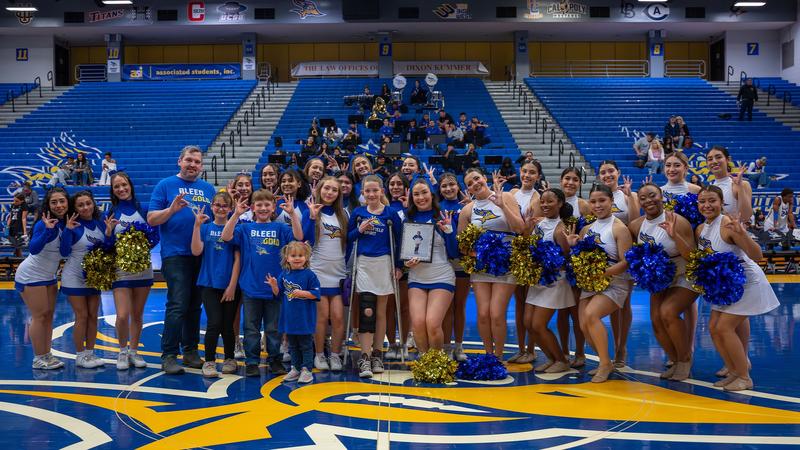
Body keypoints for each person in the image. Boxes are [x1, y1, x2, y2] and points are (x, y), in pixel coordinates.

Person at [696, 185, 779, 391]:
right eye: (702, 201)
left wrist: (744, 234)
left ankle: (744, 376)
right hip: (725, 285)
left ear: (721, 202)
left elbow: (757, 255)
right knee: (714, 328)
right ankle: (734, 371)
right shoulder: (701, 228)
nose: (707, 205)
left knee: (724, 328)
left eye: (712, 201)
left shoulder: (726, 224)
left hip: (746, 283)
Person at [147, 145, 216, 375]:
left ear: (201, 166)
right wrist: (171, 210)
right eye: (189, 160)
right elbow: (152, 219)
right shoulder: (165, 185)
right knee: (178, 303)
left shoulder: (208, 188)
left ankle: (190, 351)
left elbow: (216, 222)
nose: (192, 165)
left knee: (195, 306)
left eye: (197, 162)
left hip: (202, 255)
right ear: (180, 161)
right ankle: (168, 355)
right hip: (175, 254)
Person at [222, 189, 303, 377]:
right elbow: (226, 237)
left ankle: (274, 359)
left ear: (273, 207)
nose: (263, 208)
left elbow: (298, 237)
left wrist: (292, 214)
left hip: (275, 287)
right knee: (251, 327)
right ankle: (252, 361)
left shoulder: (281, 228)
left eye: (267, 204)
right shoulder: (245, 228)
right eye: (259, 205)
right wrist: (235, 214)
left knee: (273, 328)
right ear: (252, 208)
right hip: (251, 287)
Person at [563, 184, 633, 383]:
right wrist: (573, 246)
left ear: (611, 201)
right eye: (593, 201)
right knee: (584, 324)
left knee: (591, 315)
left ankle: (604, 364)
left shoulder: (620, 228)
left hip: (615, 282)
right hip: (592, 283)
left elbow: (625, 261)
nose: (597, 205)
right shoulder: (586, 229)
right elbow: (581, 257)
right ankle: (607, 361)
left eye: (602, 200)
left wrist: (603, 273)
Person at [630, 184, 699, 381]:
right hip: (659, 276)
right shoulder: (636, 225)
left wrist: (674, 235)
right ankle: (675, 359)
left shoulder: (679, 221)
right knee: (656, 320)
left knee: (667, 312)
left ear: (661, 197)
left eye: (652, 195)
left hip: (685, 272)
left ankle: (685, 359)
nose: (648, 200)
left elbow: (692, 257)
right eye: (643, 198)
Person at [457, 168, 525, 359]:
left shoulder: (507, 197)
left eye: (477, 178)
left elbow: (520, 228)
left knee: (496, 313)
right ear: (468, 189)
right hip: (481, 267)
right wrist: (478, 253)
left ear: (484, 178)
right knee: (483, 314)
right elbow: (462, 245)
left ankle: (500, 357)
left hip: (506, 264)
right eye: (470, 183)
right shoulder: (467, 210)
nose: (475, 184)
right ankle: (489, 356)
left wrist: (502, 205)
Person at [347, 175, 403, 378]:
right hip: (364, 264)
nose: (371, 194)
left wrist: (398, 266)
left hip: (384, 264)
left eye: (375, 190)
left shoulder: (391, 214)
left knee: (380, 312)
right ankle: (365, 356)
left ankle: (378, 353)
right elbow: (349, 237)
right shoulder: (358, 213)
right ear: (362, 193)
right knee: (366, 310)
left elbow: (399, 241)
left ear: (381, 191)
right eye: (367, 191)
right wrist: (360, 230)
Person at [707, 145, 754, 380]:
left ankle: (742, 359)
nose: (714, 161)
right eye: (710, 159)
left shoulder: (740, 183)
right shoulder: (710, 187)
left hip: (737, 249)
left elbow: (745, 217)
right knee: (727, 310)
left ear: (727, 159)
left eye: (718, 157)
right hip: (719, 252)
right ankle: (734, 360)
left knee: (739, 313)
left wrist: (739, 189)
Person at [14, 187, 68, 369]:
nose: (59, 205)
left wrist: (66, 231)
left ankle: (47, 354)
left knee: (49, 316)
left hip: (49, 276)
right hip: (31, 275)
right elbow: (34, 249)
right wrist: (46, 230)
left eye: (62, 201)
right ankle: (39, 358)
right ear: (48, 204)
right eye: (54, 202)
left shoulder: (65, 223)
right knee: (39, 316)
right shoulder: (42, 224)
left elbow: (64, 251)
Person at [404, 176, 458, 354]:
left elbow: (454, 253)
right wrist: (406, 263)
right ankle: (425, 361)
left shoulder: (442, 215)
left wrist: (449, 232)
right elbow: (402, 254)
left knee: (433, 323)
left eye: (424, 192)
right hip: (417, 277)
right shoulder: (408, 218)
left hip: (441, 275)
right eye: (416, 194)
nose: (421, 197)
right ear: (412, 197)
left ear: (432, 193)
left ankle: (437, 363)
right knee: (418, 324)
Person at [106, 172, 154, 370]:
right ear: (113, 191)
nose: (121, 189)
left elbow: (155, 235)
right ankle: (122, 351)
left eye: (124, 185)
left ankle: (134, 351)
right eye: (117, 187)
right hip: (120, 270)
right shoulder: (110, 212)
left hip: (143, 268)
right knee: (122, 315)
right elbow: (107, 245)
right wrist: (109, 232)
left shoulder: (143, 209)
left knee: (137, 314)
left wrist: (140, 248)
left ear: (130, 186)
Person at [191, 192, 240, 377]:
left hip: (229, 285)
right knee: (214, 323)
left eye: (224, 206)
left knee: (228, 325)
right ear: (212, 206)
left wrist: (232, 285)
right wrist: (196, 226)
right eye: (217, 205)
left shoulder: (235, 228)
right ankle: (210, 361)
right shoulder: (205, 228)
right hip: (209, 283)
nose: (220, 209)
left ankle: (229, 358)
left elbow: (237, 259)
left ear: (230, 209)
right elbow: (196, 251)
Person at [525, 188, 573, 374]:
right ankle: (552, 358)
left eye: (549, 202)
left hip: (554, 281)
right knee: (528, 323)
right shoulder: (539, 223)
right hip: (538, 280)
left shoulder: (561, 229)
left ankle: (562, 360)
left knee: (538, 324)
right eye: (542, 201)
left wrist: (548, 264)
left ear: (560, 203)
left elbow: (567, 260)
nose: (544, 205)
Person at [597, 160, 638, 368]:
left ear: (619, 173)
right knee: (612, 306)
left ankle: (621, 347)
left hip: (625, 255)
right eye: (603, 172)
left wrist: (631, 198)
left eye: (611, 171)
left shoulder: (629, 195)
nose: (607, 175)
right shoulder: (597, 198)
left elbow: (636, 224)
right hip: (604, 257)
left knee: (623, 304)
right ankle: (615, 346)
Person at [305, 177, 348, 372]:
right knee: (321, 317)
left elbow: (350, 239)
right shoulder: (312, 211)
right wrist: (312, 217)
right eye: (327, 188)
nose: (330, 192)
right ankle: (320, 354)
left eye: (334, 190)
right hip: (318, 272)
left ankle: (336, 354)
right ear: (320, 190)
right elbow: (304, 240)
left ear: (339, 194)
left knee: (338, 317)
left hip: (338, 274)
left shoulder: (343, 214)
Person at [60, 191, 107, 369]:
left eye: (88, 203)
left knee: (93, 316)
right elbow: (64, 252)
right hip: (74, 277)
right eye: (81, 205)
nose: (85, 207)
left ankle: (90, 353)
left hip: (94, 277)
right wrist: (67, 231)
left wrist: (109, 233)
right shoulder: (74, 225)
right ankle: (80, 356)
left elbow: (107, 247)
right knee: (82, 316)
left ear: (93, 204)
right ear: (75, 208)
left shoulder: (100, 224)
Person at [268, 241, 321, 384]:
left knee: (305, 345)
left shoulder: (310, 275)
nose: (297, 258)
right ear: (287, 257)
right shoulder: (284, 274)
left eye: (300, 255)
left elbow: (316, 294)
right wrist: (274, 286)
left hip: (304, 318)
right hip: (289, 317)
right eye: (293, 255)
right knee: (292, 345)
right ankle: (295, 368)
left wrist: (303, 293)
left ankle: (307, 370)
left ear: (307, 257)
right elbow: (278, 295)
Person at [508, 160, 543, 364]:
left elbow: (527, 231)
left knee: (529, 303)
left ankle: (531, 349)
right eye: (524, 171)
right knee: (519, 304)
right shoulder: (511, 194)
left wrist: (523, 227)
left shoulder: (538, 199)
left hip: (529, 253)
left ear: (538, 176)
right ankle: (521, 348)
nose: (527, 175)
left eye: (532, 172)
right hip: (512, 252)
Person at [557, 167, 589, 368]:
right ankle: (563, 352)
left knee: (576, 311)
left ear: (580, 183)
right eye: (567, 178)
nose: (570, 182)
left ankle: (580, 352)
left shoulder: (584, 206)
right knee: (561, 311)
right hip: (557, 263)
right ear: (561, 181)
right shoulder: (553, 202)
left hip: (576, 264)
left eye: (575, 179)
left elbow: (588, 234)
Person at [438, 172, 470, 361]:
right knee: (447, 308)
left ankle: (459, 345)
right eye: (444, 186)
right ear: (439, 189)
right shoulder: (437, 208)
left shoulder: (467, 206)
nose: (448, 189)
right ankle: (447, 346)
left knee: (460, 305)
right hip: (442, 262)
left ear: (458, 186)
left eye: (451, 185)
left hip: (461, 262)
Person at [7, 193, 28, 257]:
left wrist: (24, 232)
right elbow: (10, 216)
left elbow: (24, 218)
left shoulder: (24, 206)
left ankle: (20, 260)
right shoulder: (13, 205)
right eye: (14, 200)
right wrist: (7, 225)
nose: (14, 202)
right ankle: (16, 258)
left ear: (22, 201)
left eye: (16, 201)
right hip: (12, 226)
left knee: (18, 246)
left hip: (19, 227)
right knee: (15, 245)